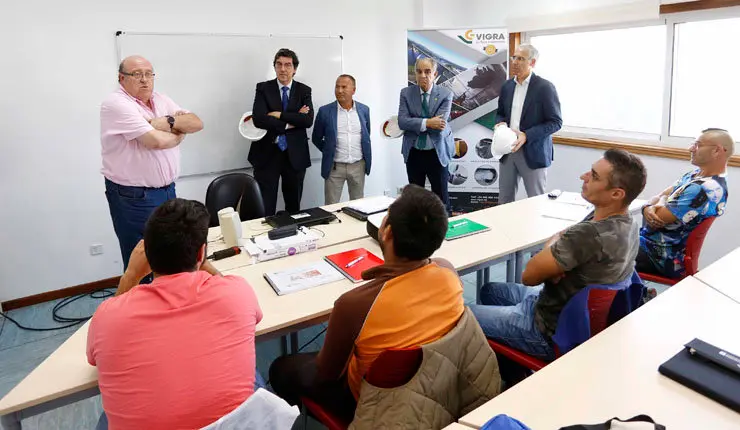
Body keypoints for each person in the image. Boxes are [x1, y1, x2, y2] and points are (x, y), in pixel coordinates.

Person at [269, 185, 465, 421]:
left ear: (387, 232)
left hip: (373, 405)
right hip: (439, 386)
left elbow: (326, 374)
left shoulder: (355, 304)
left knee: (281, 368)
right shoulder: (447, 271)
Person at [87, 199, 263, 430]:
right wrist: (204, 263)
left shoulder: (108, 317)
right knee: (255, 378)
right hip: (227, 425)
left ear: (147, 257)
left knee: (107, 415)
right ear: (201, 253)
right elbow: (254, 316)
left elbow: (94, 359)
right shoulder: (237, 293)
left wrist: (130, 276)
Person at [471, 149, 646, 359]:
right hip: (563, 310)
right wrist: (554, 255)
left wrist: (551, 255)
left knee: (461, 315)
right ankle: (510, 367)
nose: (584, 177)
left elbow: (529, 276)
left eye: (594, 176)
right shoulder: (627, 223)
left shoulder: (588, 235)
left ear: (616, 193)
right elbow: (562, 238)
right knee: (490, 290)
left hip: (547, 329)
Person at [101, 55, 203, 271]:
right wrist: (179, 135)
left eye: (149, 74)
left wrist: (168, 121)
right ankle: (142, 303)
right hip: (134, 196)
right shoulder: (116, 104)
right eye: (137, 74)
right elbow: (155, 141)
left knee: (170, 256)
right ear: (121, 78)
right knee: (142, 260)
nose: (145, 80)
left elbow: (196, 122)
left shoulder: (161, 100)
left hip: (167, 191)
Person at [637, 128, 732, 279]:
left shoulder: (703, 188)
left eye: (698, 145)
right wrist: (650, 206)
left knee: (596, 254)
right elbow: (661, 195)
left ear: (716, 151)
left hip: (660, 256)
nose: (690, 148)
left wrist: (651, 206)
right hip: (648, 246)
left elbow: (658, 218)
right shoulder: (694, 176)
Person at [494, 43, 562, 204]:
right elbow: (500, 113)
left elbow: (555, 122)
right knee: (504, 199)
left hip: (533, 151)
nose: (515, 62)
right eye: (514, 57)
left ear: (532, 63)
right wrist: (500, 124)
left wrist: (526, 135)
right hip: (508, 151)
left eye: (521, 59)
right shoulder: (507, 86)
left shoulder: (545, 87)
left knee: (536, 200)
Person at [250, 48, 314, 216]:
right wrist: (290, 122)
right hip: (267, 154)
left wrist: (280, 115)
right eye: (279, 64)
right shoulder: (263, 88)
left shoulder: (304, 90)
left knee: (293, 206)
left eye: (287, 65)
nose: (283, 69)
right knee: (265, 206)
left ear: (295, 69)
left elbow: (307, 120)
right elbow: (259, 118)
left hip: (295, 155)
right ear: (275, 67)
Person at [398, 57, 455, 209]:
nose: (423, 75)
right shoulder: (406, 93)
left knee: (441, 199)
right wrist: (428, 122)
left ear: (435, 74)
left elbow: (440, 125)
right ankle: (418, 230)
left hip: (436, 152)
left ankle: (444, 230)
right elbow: (402, 122)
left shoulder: (445, 94)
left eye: (427, 71)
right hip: (414, 153)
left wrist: (415, 122)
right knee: (415, 199)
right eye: (419, 72)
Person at [312, 74, 372, 204]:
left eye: (344, 87)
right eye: (337, 87)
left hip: (358, 165)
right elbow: (316, 138)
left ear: (353, 90)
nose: (339, 90)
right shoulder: (325, 111)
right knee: (331, 207)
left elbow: (366, 135)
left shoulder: (364, 110)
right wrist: (329, 150)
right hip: (334, 167)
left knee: (358, 206)